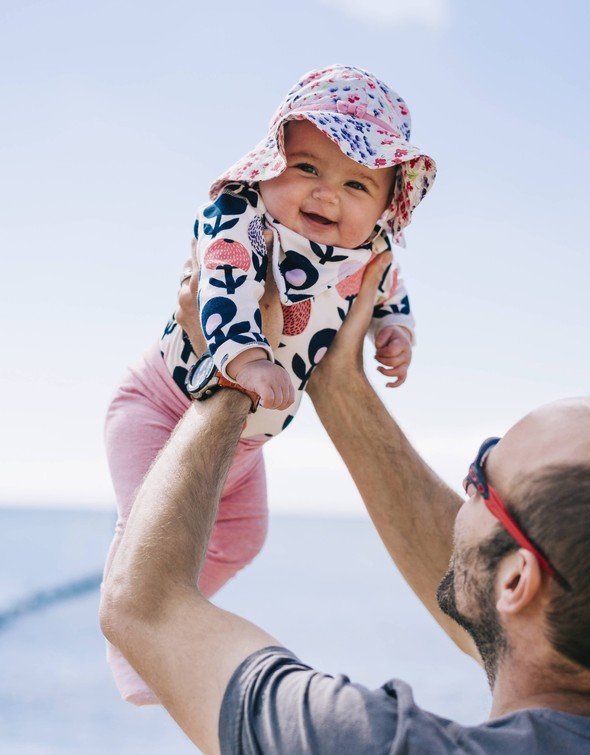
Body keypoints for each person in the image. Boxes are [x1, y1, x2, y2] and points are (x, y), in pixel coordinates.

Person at [100, 254, 590, 754]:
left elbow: (143, 605)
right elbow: (503, 602)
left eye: (480, 475)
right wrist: (336, 381)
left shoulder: (373, 743)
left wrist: (228, 370)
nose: (463, 488)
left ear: (520, 578)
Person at [102, 63, 436, 704]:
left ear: (388, 201)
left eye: (356, 183)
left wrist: (395, 331)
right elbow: (221, 285)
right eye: (307, 168)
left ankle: (175, 605)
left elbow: (389, 288)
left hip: (245, 446)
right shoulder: (243, 215)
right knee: (146, 525)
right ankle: (132, 638)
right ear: (271, 163)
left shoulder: (372, 247)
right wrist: (247, 361)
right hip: (163, 404)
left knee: (244, 538)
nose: (327, 195)